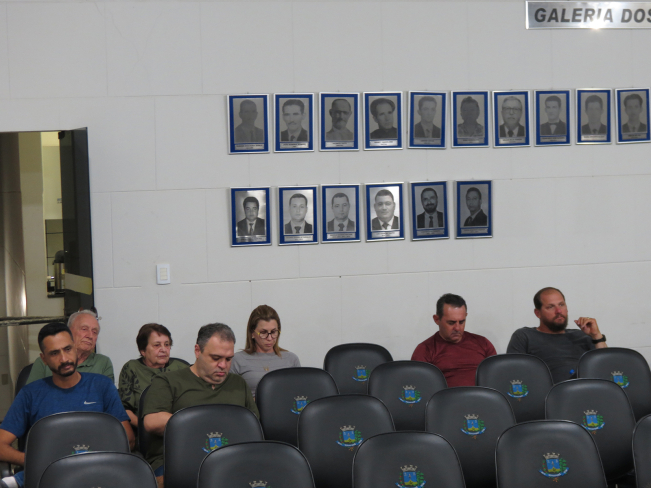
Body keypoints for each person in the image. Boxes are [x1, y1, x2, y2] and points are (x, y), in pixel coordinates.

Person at [0, 322, 133, 488]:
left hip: (97, 473)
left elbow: (127, 439)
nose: (64, 359)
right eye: (54, 353)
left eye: (68, 349)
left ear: (75, 349)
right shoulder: (30, 394)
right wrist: (35, 461)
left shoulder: (102, 386)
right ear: (44, 359)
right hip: (47, 475)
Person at [142, 323, 258, 479]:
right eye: (216, 358)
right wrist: (208, 425)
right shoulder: (168, 381)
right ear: (198, 351)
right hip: (179, 460)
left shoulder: (238, 383)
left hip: (232, 460)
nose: (223, 365)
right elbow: (152, 421)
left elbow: (253, 426)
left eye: (228, 359)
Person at [507, 287, 608, 384]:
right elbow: (514, 374)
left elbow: (606, 368)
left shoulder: (582, 335)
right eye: (550, 307)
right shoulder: (524, 336)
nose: (559, 311)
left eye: (561, 305)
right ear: (538, 313)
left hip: (587, 389)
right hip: (549, 392)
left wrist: (596, 336)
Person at [412, 294, 496, 387]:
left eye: (461, 322)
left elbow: (497, 378)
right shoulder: (425, 350)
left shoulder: (483, 343)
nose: (457, 328)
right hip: (446, 396)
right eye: (451, 323)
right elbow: (419, 387)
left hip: (482, 396)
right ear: (437, 319)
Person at [118, 323, 189, 428]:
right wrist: (145, 428)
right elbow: (125, 409)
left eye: (167, 344)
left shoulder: (182, 368)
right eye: (157, 345)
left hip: (180, 428)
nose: (163, 349)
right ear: (143, 351)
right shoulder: (131, 368)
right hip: (143, 429)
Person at [231, 305, 300, 397]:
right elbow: (230, 397)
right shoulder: (237, 360)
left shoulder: (291, 359)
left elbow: (299, 394)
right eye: (263, 333)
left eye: (274, 332)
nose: (270, 338)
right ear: (252, 333)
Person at [27, 309, 113, 384]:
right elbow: (32, 394)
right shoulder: (45, 361)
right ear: (69, 331)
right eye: (84, 329)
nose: (90, 336)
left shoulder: (103, 363)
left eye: (95, 332)